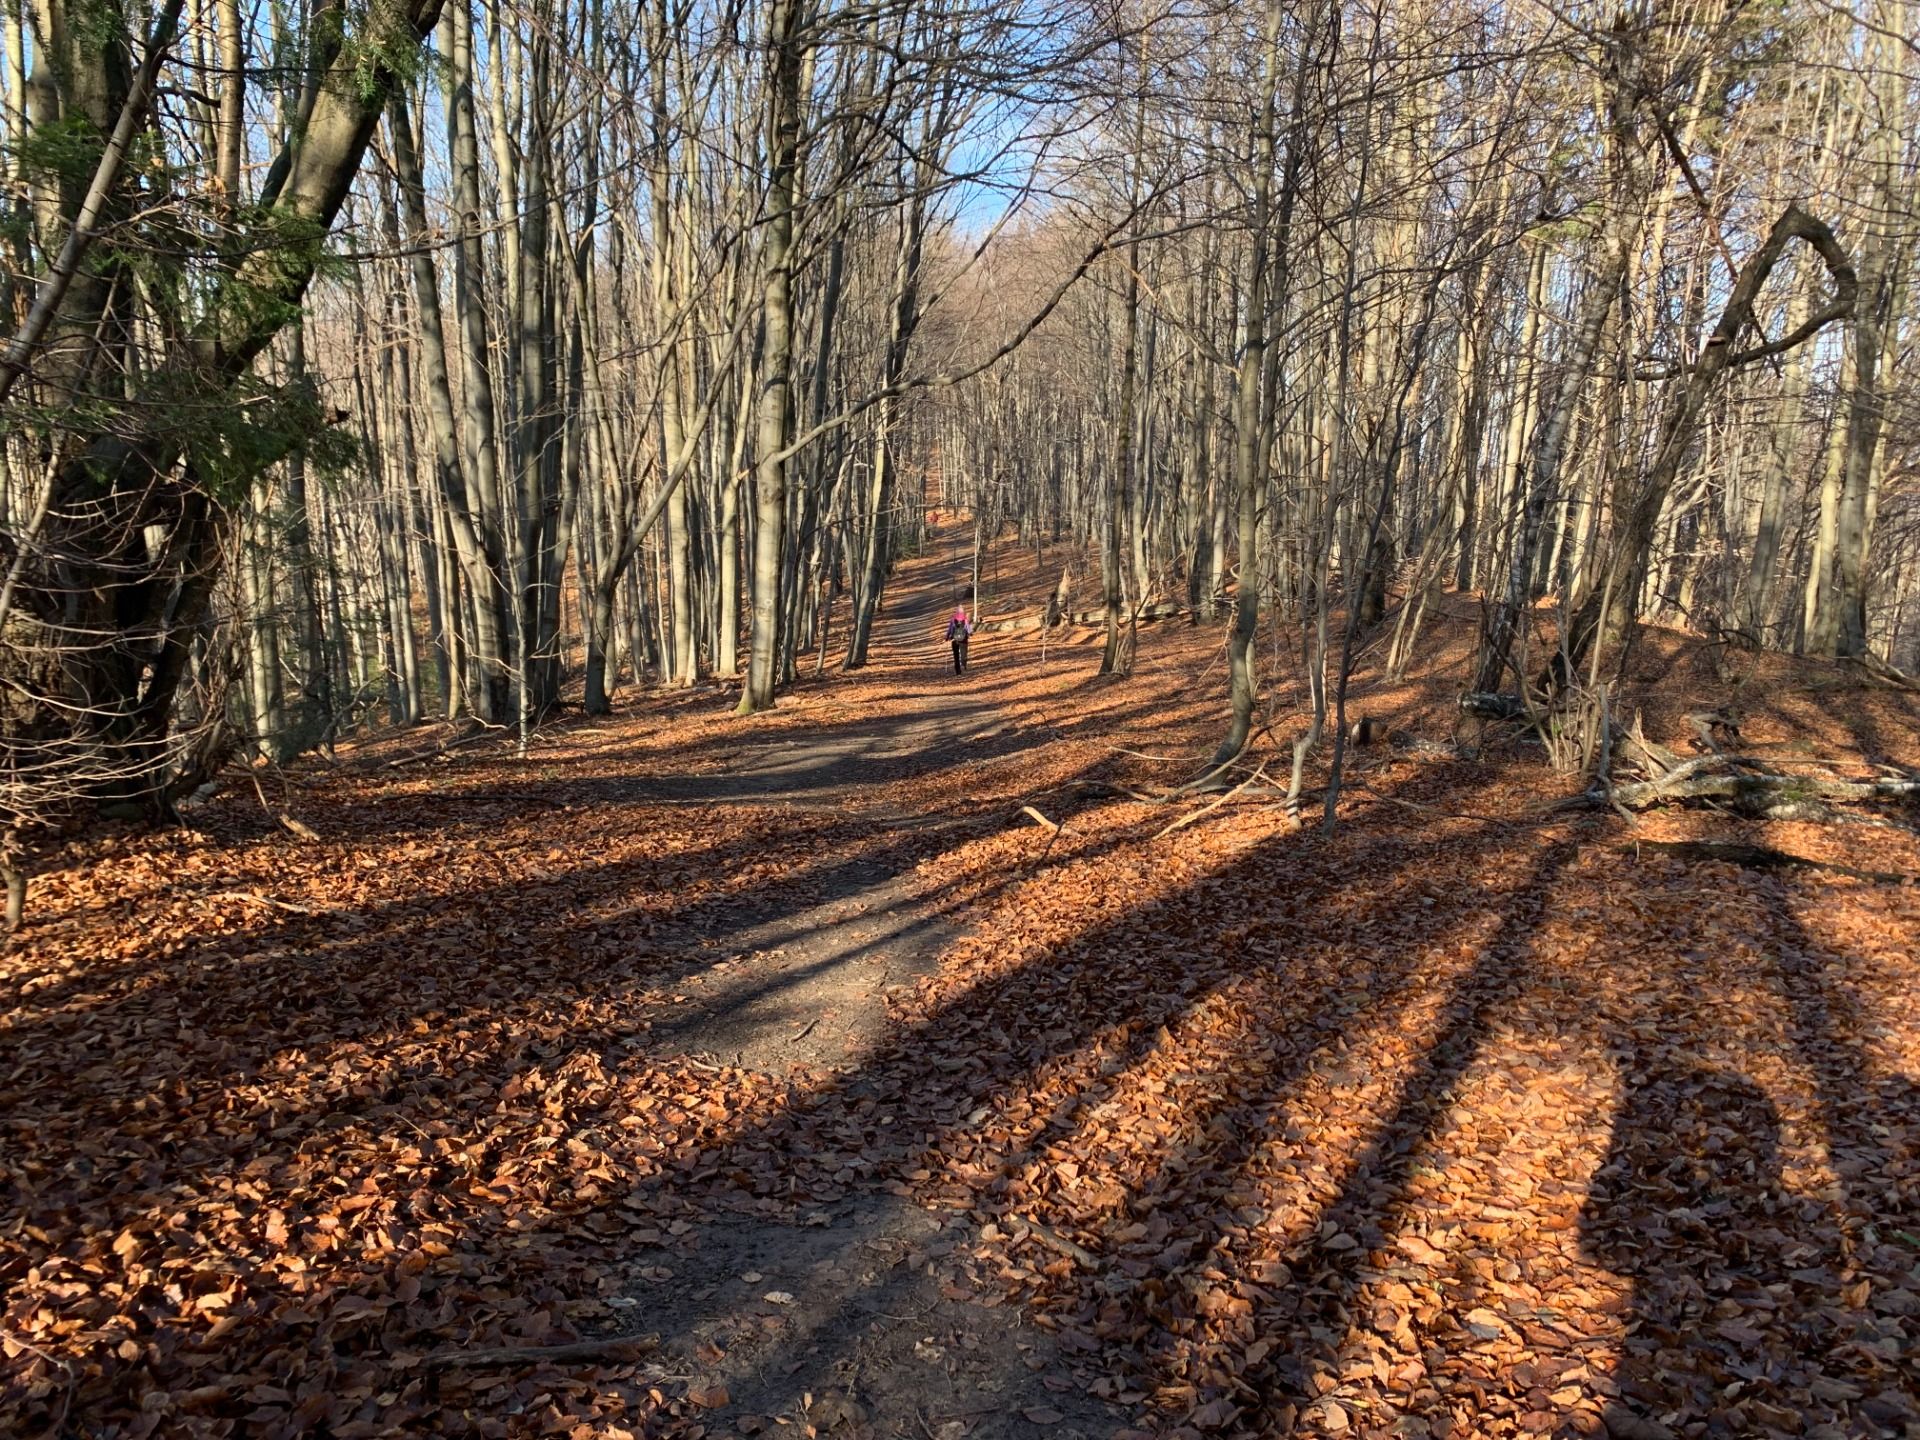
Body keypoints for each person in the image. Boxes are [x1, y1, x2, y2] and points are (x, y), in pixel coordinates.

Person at [945, 603, 974, 674]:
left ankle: (958, 670)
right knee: (964, 653)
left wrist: (947, 637)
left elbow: (950, 629)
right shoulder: (965, 619)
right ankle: (963, 664)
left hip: (954, 640)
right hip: (964, 639)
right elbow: (969, 629)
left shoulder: (953, 619)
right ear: (963, 612)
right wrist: (970, 633)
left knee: (956, 655)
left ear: (957, 612)